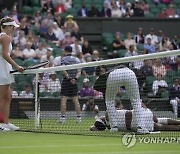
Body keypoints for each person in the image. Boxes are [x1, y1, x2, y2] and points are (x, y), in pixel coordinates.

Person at [94, 65, 150, 133]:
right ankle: (141, 127)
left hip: (114, 75)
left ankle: (114, 127)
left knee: (109, 101)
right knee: (136, 101)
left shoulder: (108, 75)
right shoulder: (129, 70)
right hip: (130, 74)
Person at [0, 17, 24, 131]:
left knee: (8, 97)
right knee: (1, 98)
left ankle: (6, 123)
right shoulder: (5, 37)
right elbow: (5, 54)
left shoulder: (4, 36)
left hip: (5, 69)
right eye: (13, 27)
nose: (14, 29)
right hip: (2, 70)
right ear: (8, 26)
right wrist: (17, 66)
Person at [90, 105, 180, 132]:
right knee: (158, 120)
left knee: (160, 126)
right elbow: (118, 107)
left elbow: (94, 128)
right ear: (102, 119)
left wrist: (94, 127)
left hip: (137, 125)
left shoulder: (111, 128)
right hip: (139, 115)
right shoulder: (107, 113)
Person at [59, 46, 81, 124]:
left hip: (66, 81)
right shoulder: (77, 60)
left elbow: (63, 70)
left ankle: (62, 118)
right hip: (74, 82)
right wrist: (75, 79)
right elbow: (79, 71)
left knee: (63, 99)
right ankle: (78, 118)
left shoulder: (63, 59)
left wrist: (69, 78)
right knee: (75, 100)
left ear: (65, 51)